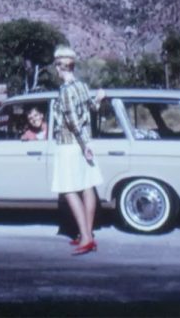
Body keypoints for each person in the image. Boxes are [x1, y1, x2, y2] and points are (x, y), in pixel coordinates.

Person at [51, 45, 105, 256]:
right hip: (85, 142)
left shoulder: (65, 91)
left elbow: (72, 122)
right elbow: (91, 109)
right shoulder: (82, 86)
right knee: (87, 185)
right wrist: (99, 99)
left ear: (59, 67)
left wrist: (83, 146)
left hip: (70, 144)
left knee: (68, 189)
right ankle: (87, 234)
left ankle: (86, 237)